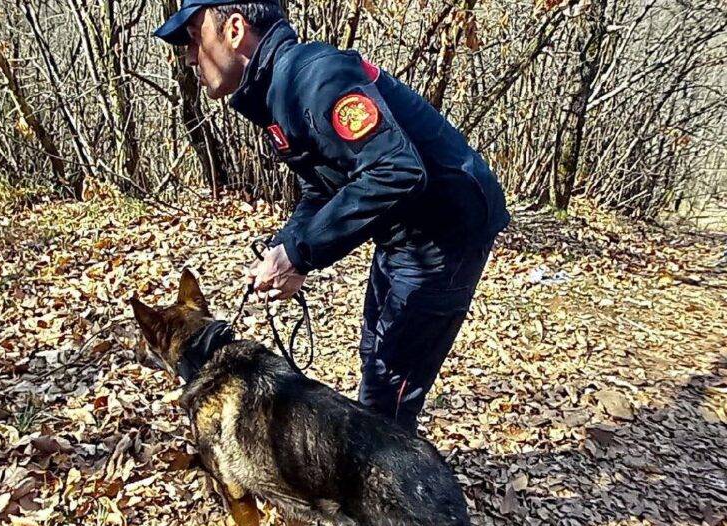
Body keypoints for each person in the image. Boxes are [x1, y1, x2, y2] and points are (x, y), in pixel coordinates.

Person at [155, 0, 510, 431]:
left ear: (234, 29)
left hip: (447, 227)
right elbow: (323, 188)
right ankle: (378, 465)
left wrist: (302, 255)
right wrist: (286, 247)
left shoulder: (315, 76)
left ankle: (397, 488)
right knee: (375, 353)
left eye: (195, 38)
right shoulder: (277, 91)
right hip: (403, 226)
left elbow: (398, 170)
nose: (191, 57)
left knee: (391, 381)